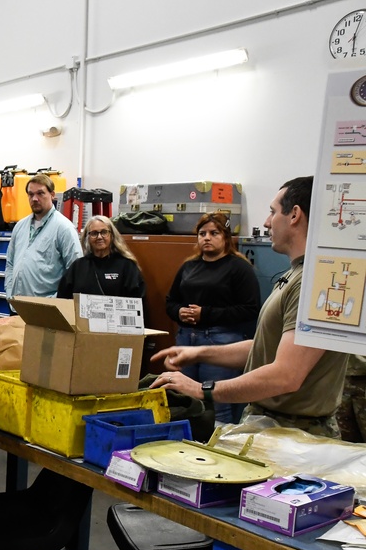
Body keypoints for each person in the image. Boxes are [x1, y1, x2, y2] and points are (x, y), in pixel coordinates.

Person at [151, 177, 349, 438]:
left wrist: (203, 389)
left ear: (294, 215)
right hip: (275, 426)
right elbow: (264, 348)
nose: (267, 222)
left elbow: (286, 375)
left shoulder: (315, 280)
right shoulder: (298, 275)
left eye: (272, 211)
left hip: (296, 432)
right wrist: (198, 352)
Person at [164, 213, 261, 423]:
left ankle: (217, 449)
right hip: (186, 340)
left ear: (226, 237)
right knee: (184, 399)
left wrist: (205, 313)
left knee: (218, 404)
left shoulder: (239, 268)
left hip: (221, 341)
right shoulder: (189, 266)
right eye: (202, 233)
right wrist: (179, 312)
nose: (206, 238)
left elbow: (250, 309)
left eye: (213, 233)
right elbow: (170, 301)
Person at [4, 173, 81, 299]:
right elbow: (10, 263)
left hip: (47, 308)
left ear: (52, 195)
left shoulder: (64, 228)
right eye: (31, 194)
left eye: (40, 193)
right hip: (16, 305)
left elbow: (76, 272)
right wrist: (9, 291)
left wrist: (56, 300)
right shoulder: (20, 226)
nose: (35, 198)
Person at [57, 215, 145, 300]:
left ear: (112, 235)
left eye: (104, 232)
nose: (99, 237)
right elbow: (63, 299)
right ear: (88, 238)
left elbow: (138, 302)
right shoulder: (77, 267)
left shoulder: (127, 266)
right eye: (94, 233)